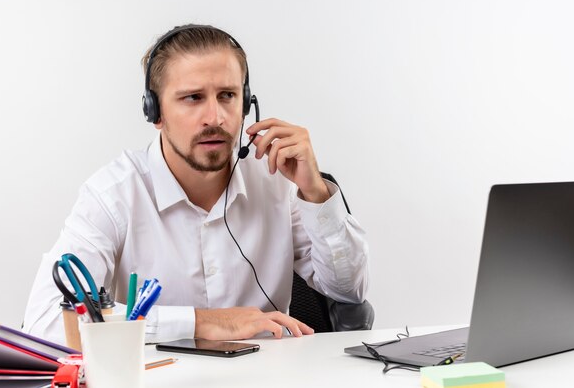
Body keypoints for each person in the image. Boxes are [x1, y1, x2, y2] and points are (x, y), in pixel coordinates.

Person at [23, 24, 369, 345]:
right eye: (193, 98)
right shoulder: (113, 195)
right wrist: (200, 322)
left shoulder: (277, 179)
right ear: (155, 111)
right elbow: (47, 324)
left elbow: (349, 293)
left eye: (228, 96)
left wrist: (314, 194)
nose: (215, 118)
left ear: (247, 103)